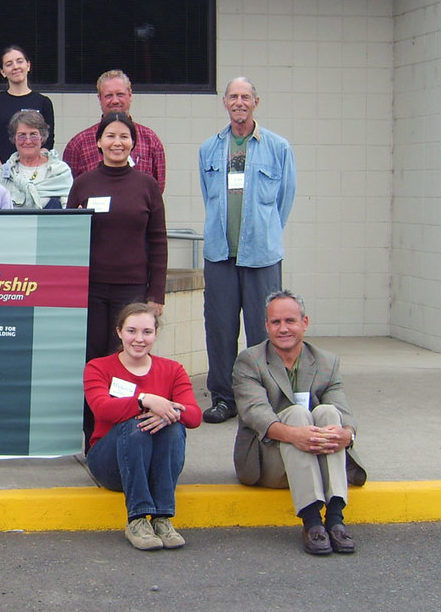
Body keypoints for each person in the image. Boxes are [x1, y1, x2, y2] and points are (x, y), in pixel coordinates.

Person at [233, 291, 365, 555]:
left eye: (290, 321)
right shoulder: (249, 361)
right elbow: (255, 413)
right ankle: (313, 522)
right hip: (268, 458)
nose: (283, 329)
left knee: (328, 412)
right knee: (296, 415)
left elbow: (342, 408)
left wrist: (346, 434)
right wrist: (295, 434)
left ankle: (336, 519)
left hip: (315, 452)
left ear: (304, 323)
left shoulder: (327, 361)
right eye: (276, 322)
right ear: (266, 326)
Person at [200, 77, 297, 424]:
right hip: (220, 255)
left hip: (261, 256)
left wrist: (264, 232)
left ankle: (268, 398)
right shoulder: (209, 148)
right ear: (225, 102)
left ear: (256, 101)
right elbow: (209, 197)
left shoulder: (278, 147)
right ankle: (225, 399)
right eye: (233, 97)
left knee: (265, 329)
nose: (239, 102)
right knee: (221, 329)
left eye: (245, 97)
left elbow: (284, 200)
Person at [66, 112, 167, 441]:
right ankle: (91, 433)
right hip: (91, 289)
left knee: (127, 358)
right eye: (110, 136)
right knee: (94, 360)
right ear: (98, 142)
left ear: (133, 143)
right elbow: (71, 238)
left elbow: (158, 241)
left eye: (124, 137)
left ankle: (125, 430)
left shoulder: (147, 186)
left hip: (133, 292)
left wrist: (157, 295)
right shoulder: (83, 184)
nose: (117, 143)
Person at [84, 303, 201, 550]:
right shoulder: (98, 367)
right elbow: (102, 408)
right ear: (119, 332)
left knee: (173, 424)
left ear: (156, 334)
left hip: (154, 468)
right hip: (110, 463)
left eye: (147, 332)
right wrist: (144, 401)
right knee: (137, 426)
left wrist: (168, 412)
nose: (139, 339)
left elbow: (194, 416)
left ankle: (162, 518)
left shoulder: (173, 370)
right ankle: (137, 519)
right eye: (131, 331)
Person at [63, 70, 166, 191]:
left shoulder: (150, 139)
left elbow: (157, 189)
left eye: (120, 94)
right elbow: (69, 191)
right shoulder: (78, 144)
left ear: (130, 95)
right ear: (99, 98)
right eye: (108, 96)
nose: (115, 100)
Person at [0, 46, 55, 173]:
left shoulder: (43, 102)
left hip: (34, 175)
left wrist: (30, 169)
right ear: (2, 72)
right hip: (1, 174)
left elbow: (47, 143)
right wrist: (3, 171)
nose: (15, 67)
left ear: (28, 65)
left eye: (19, 61)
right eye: (9, 64)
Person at [0, 109, 73, 209]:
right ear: (14, 139)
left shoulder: (60, 171)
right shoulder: (3, 174)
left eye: (33, 135)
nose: (28, 141)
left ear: (42, 137)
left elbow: (68, 211)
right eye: (22, 136)